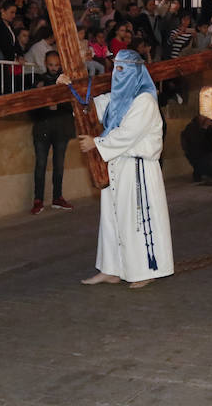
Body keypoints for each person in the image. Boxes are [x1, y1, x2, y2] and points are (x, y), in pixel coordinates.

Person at [60, 49, 174, 288]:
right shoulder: (116, 98)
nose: (117, 74)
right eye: (116, 68)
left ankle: (144, 270)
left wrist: (96, 143)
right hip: (115, 165)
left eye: (123, 69)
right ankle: (111, 269)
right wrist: (67, 87)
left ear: (136, 72)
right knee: (112, 218)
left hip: (137, 168)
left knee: (136, 218)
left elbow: (128, 134)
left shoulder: (145, 100)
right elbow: (86, 108)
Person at [30, 51, 76, 215]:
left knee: (59, 165)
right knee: (40, 164)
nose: (54, 68)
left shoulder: (66, 81)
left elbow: (72, 103)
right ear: (45, 63)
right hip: (42, 127)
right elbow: (34, 100)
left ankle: (57, 197)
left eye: (57, 65)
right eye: (51, 65)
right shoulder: (38, 79)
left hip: (61, 128)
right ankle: (38, 200)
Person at [181, 115, 212, 182]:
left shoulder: (206, 127)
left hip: (207, 154)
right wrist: (204, 128)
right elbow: (197, 142)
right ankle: (200, 171)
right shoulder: (191, 128)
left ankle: (201, 171)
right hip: (197, 155)